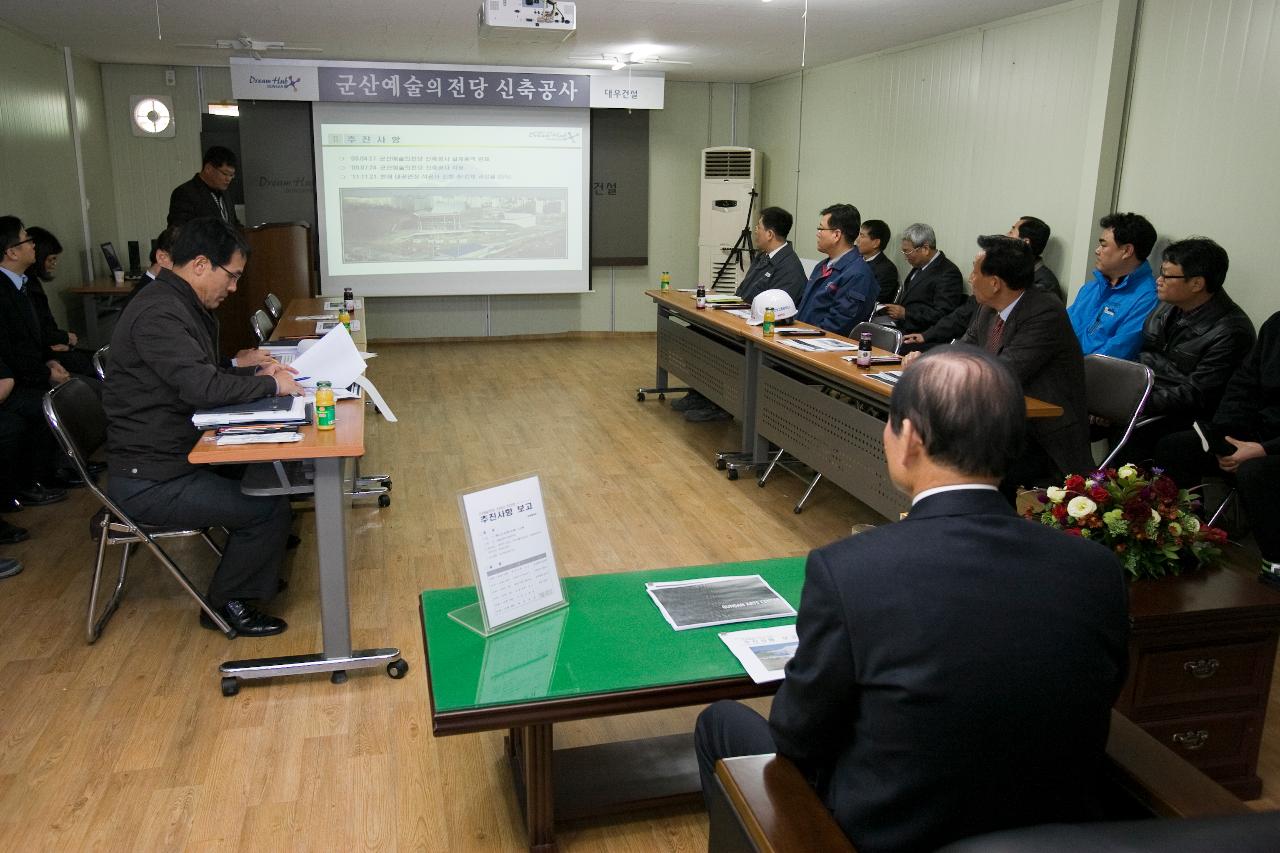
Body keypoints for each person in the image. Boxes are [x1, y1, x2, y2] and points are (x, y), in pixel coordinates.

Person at [694, 346, 1130, 852]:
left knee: (720, 723)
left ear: (912, 440)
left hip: (891, 836)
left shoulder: (849, 570)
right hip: (1051, 832)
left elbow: (797, 736)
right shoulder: (1096, 569)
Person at [104, 216, 301, 636]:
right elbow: (200, 387)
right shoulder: (160, 313)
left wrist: (238, 365)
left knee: (270, 476)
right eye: (230, 276)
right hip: (151, 478)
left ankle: (256, 570)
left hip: (173, 453)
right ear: (198, 264)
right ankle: (227, 606)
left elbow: (194, 373)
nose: (232, 288)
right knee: (266, 506)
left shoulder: (177, 304)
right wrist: (268, 382)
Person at [951, 235, 1092, 499]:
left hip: (1042, 436)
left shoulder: (1044, 311)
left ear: (995, 283)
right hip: (1004, 419)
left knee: (965, 455)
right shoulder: (988, 308)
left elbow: (1004, 370)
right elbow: (964, 347)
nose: (970, 278)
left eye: (974, 271)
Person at [1155, 310, 1280, 579]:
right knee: (1176, 447)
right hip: (1255, 434)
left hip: (1272, 449)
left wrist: (1265, 448)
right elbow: (1243, 386)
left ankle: (1274, 564)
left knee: (1256, 471)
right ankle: (1188, 536)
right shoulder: (1276, 325)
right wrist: (1227, 438)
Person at [1116, 237, 1255, 464]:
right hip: (1150, 398)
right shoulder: (1167, 306)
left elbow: (1198, 393)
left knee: (1135, 434)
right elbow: (1143, 357)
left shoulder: (1230, 331)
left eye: (1167, 276)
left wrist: (1135, 402)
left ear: (1197, 284)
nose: (1158, 281)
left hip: (1188, 415)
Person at [0, 216, 71, 509]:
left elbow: (37, 338)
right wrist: (46, 373)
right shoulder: (3, 291)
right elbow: (9, 351)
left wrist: (51, 361)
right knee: (47, 404)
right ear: (12, 252)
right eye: (27, 239)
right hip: (14, 380)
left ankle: (54, 472)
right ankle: (31, 482)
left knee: (69, 395)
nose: (33, 245)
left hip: (28, 372)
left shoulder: (23, 284)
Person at [1066, 212, 1158, 359]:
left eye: (1103, 245)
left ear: (1127, 251)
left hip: (1093, 376)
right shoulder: (1092, 287)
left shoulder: (1147, 298)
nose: (1097, 251)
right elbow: (1059, 328)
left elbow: (1117, 353)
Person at [793, 203, 877, 336]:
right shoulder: (822, 266)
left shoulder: (858, 274)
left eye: (821, 229)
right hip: (801, 336)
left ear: (836, 235)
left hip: (821, 346)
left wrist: (802, 335)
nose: (818, 234)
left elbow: (838, 324)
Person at [872, 223, 965, 334]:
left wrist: (906, 314)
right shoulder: (919, 266)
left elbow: (943, 314)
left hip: (923, 334)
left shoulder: (948, 273)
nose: (905, 257)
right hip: (903, 326)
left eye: (907, 251)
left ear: (925, 249)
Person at [735, 207, 806, 305]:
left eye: (758, 227)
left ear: (769, 234)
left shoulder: (790, 269)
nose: (755, 231)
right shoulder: (762, 256)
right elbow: (742, 290)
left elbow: (774, 309)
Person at [167, 146, 240, 228]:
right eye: (225, 174)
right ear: (208, 168)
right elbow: (180, 229)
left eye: (231, 175)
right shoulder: (185, 193)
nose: (228, 179)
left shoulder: (226, 193)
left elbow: (234, 223)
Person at [1008, 215, 1063, 300]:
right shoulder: (1008, 273)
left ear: (1025, 243)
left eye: (1011, 232)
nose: (1006, 235)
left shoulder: (1045, 285)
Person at [855, 218, 899, 304]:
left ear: (876, 243)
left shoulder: (887, 269)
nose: (857, 240)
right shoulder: (854, 259)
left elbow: (873, 299)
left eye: (862, 236)